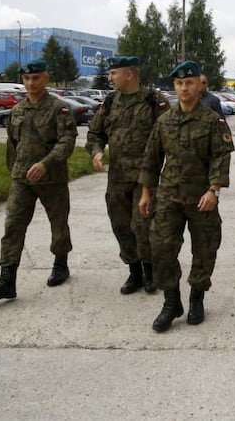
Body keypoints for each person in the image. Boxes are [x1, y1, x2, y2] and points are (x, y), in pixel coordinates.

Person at [138, 60, 235, 332]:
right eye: (179, 84)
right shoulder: (165, 121)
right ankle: (171, 301)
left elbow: (221, 157)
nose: (183, 88)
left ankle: (196, 297)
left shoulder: (212, 121)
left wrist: (213, 190)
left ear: (199, 85)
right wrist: (146, 193)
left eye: (188, 83)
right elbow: (151, 159)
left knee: (204, 249)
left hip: (201, 196)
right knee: (161, 247)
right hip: (168, 195)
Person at [0, 59, 78, 300]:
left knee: (58, 223)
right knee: (13, 225)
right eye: (26, 78)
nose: (31, 82)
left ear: (45, 78)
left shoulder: (59, 109)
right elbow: (13, 144)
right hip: (22, 179)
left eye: (36, 78)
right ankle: (7, 279)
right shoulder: (18, 110)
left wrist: (45, 164)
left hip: (51, 179)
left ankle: (60, 263)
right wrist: (14, 170)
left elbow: (67, 142)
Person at [85, 56, 169, 295]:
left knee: (143, 226)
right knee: (121, 225)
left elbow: (168, 135)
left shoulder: (154, 101)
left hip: (146, 178)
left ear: (129, 74)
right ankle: (134, 272)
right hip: (118, 177)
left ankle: (150, 271)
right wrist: (97, 152)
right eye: (109, 74)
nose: (109, 78)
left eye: (114, 73)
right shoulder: (110, 102)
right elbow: (95, 133)